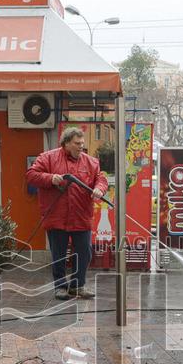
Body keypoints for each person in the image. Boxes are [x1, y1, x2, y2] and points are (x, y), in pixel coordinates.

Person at [26, 127, 109, 300]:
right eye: (77, 143)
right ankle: (60, 286)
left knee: (85, 252)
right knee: (59, 254)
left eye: (82, 143)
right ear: (66, 143)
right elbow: (31, 175)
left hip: (81, 216)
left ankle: (77, 286)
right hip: (57, 216)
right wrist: (50, 178)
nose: (81, 146)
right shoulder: (47, 157)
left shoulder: (91, 162)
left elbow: (101, 179)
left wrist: (99, 189)